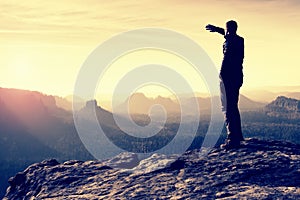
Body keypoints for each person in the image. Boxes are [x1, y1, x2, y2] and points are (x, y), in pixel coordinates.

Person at [205, 20, 244, 149]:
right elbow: (228, 34)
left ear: (229, 30)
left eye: (226, 29)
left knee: (227, 107)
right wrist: (217, 29)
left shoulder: (230, 43)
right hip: (237, 77)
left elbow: (227, 60)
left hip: (228, 78)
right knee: (233, 106)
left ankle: (232, 139)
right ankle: (237, 135)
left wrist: (221, 75)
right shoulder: (239, 40)